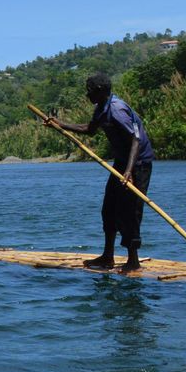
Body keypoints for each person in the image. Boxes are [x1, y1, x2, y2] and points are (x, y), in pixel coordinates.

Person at [45, 73, 155, 273]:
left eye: (89, 91)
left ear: (99, 92)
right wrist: (60, 124)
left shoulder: (116, 110)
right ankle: (108, 256)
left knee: (130, 210)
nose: (87, 95)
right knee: (109, 208)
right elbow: (89, 129)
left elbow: (135, 141)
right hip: (122, 163)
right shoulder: (101, 109)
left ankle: (133, 260)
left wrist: (129, 171)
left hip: (137, 164)